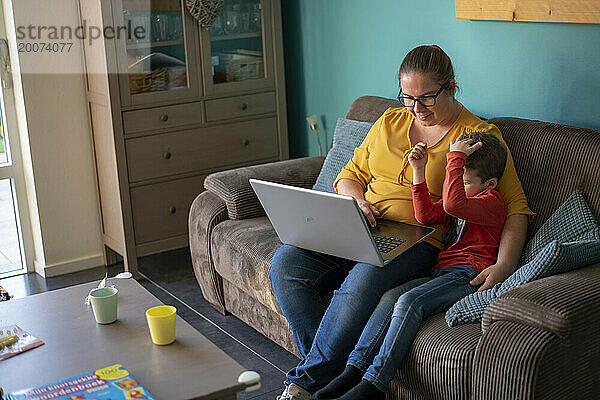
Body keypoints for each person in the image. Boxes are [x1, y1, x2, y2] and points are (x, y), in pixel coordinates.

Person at [271, 45, 534, 400]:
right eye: (407, 98)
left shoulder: (476, 137)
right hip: (362, 222)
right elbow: (350, 174)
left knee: (363, 278)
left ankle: (304, 384)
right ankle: (332, 372)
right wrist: (357, 201)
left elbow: (516, 206)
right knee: (287, 263)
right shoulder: (390, 122)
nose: (416, 109)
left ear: (451, 87)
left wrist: (505, 264)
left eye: (426, 98)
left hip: (419, 239)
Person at [313, 132, 508, 400]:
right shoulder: (464, 200)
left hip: (469, 274)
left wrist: (454, 157)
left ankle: (374, 385)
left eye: (463, 181)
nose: (455, 186)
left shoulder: (493, 203)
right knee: (390, 297)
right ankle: (353, 369)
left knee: (410, 302)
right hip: (443, 272)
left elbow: (453, 203)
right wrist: (418, 171)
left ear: (490, 183)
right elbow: (425, 215)